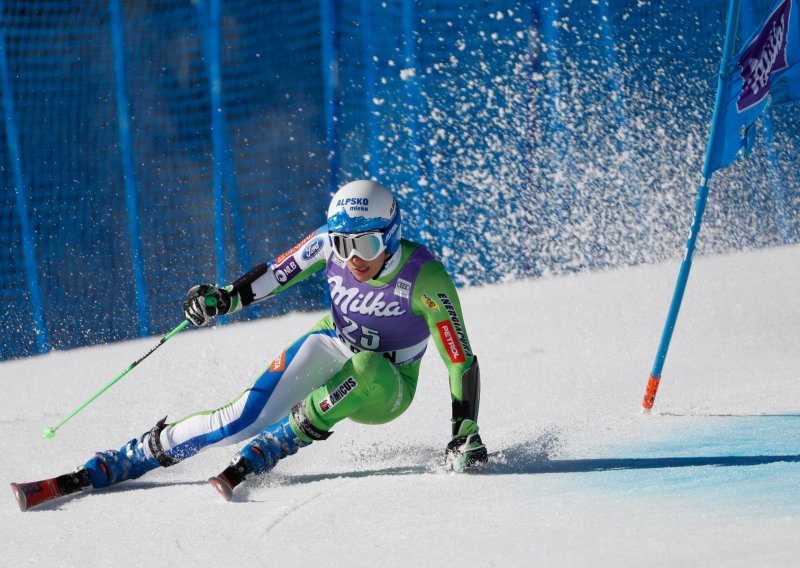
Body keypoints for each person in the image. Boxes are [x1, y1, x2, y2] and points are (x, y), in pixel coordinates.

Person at [16, 180, 486, 506]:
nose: (351, 259)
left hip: (389, 386)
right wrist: (224, 299)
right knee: (239, 417)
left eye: (363, 246)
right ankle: (118, 462)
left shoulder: (426, 278)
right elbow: (276, 275)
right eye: (342, 246)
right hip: (334, 340)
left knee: (368, 371)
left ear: (391, 235)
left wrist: (463, 431)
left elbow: (460, 360)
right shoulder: (329, 245)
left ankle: (278, 444)